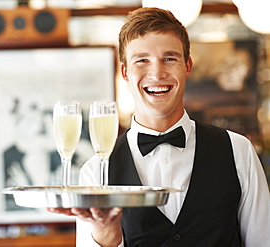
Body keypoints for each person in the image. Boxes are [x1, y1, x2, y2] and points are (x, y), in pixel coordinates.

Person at [48, 7, 270, 246]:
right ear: (125, 72)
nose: (157, 73)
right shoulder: (94, 173)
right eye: (142, 60)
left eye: (169, 58)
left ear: (187, 66)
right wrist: (106, 234)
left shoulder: (238, 151)